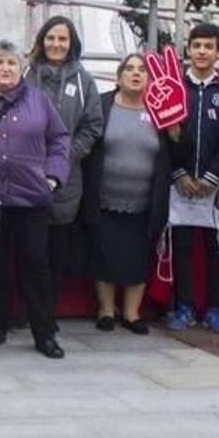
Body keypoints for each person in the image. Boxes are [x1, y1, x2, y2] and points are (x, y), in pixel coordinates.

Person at [0, 40, 71, 359]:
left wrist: (53, 176)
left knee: (36, 266)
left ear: (21, 67)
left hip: (30, 198)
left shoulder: (39, 100)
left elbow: (60, 139)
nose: (5, 68)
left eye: (11, 62)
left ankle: (44, 333)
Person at [79, 53, 170, 335]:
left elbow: (176, 149)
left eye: (142, 69)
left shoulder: (161, 108)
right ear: (119, 76)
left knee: (138, 257)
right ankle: (106, 311)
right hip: (104, 198)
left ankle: (131, 313)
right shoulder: (102, 104)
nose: (136, 73)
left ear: (150, 78)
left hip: (145, 202)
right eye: (129, 68)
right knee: (104, 254)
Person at [164, 22, 219, 333]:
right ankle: (182, 307)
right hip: (179, 184)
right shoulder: (174, 88)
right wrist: (179, 172)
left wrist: (213, 175)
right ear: (188, 50)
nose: (202, 52)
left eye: (209, 46)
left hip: (214, 186)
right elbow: (164, 133)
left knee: (214, 249)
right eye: (197, 46)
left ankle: (214, 308)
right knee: (181, 248)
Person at [25, 17, 104, 311]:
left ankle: (47, 311)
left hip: (67, 178)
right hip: (26, 173)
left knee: (57, 249)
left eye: (62, 39)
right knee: (29, 248)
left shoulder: (84, 81)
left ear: (72, 44)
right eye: (51, 38)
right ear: (41, 40)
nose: (56, 44)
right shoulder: (26, 75)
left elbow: (93, 125)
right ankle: (27, 309)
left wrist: (69, 154)